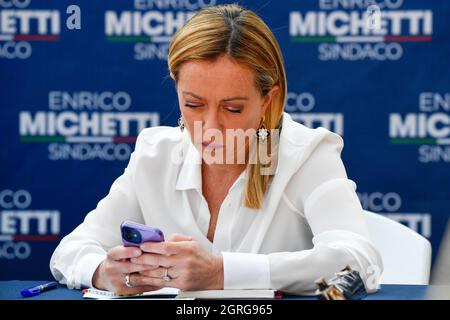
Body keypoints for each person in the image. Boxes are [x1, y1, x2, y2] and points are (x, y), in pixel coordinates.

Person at [50, 4, 383, 295]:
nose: (211, 126)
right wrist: (103, 272)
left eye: (233, 108)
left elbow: (357, 261)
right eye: (193, 104)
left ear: (267, 99)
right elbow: (72, 250)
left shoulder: (307, 154)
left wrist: (221, 272)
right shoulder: (155, 154)